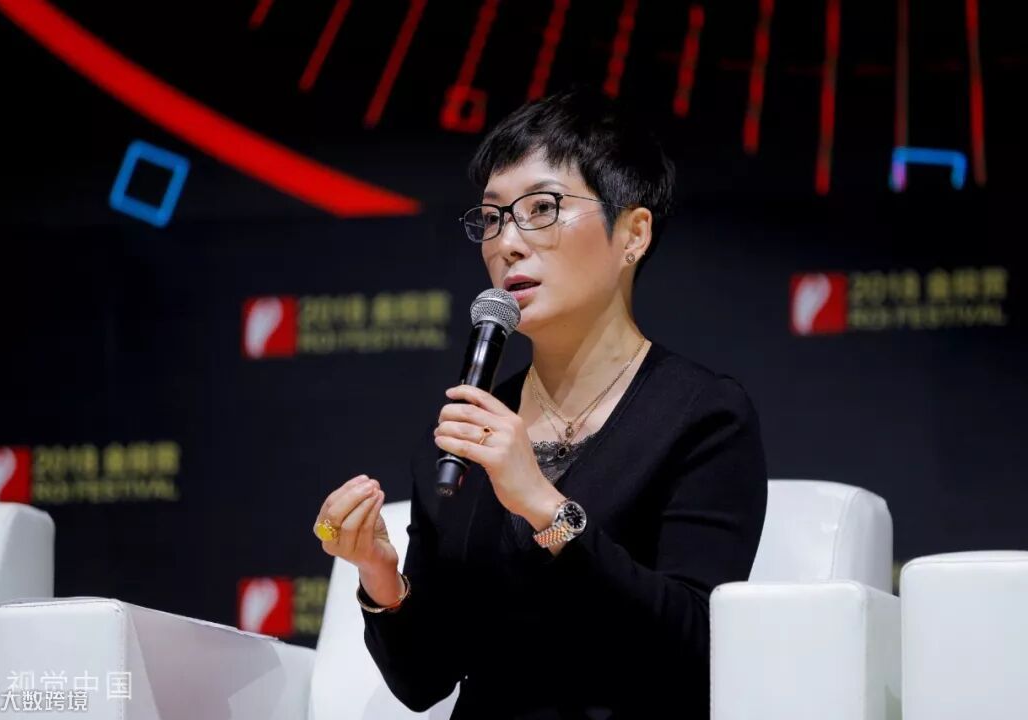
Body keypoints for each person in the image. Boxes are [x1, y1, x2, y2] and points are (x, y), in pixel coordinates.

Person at [311, 87, 768, 719]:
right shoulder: (466, 434)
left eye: (542, 208)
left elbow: (695, 648)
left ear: (633, 234)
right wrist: (380, 576)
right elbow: (424, 681)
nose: (507, 243)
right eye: (492, 218)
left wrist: (544, 507)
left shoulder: (702, 416)